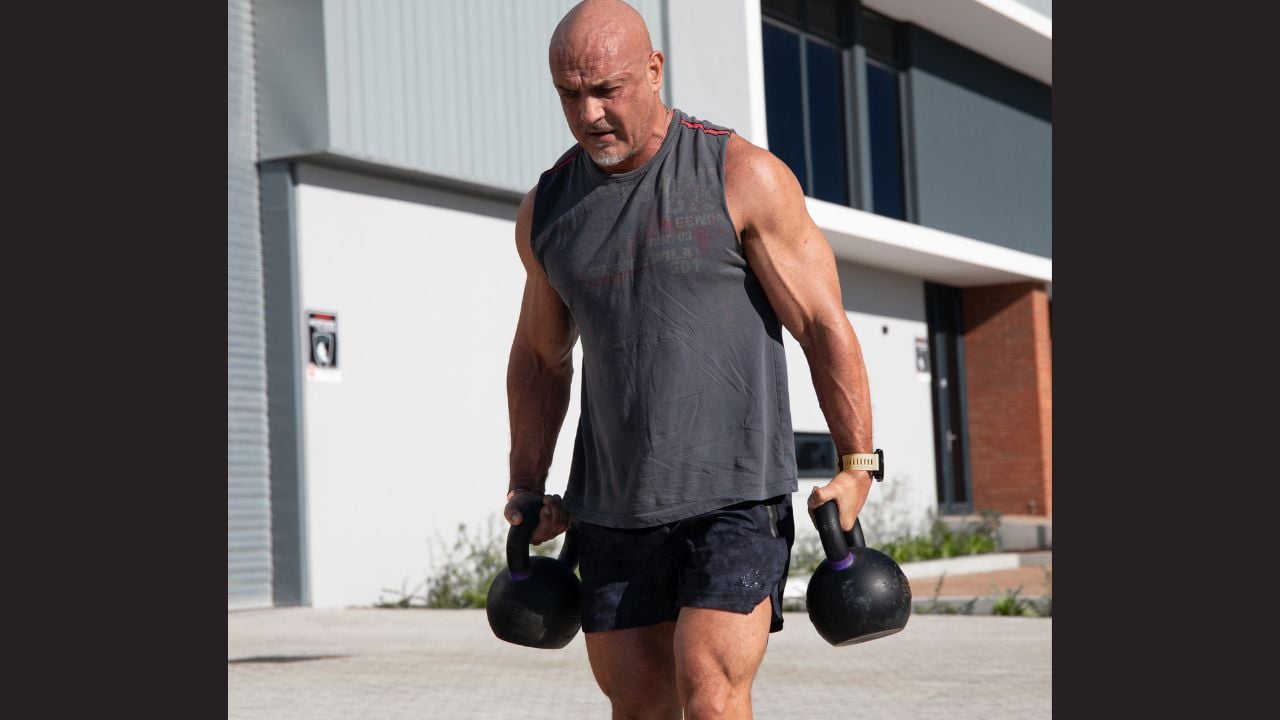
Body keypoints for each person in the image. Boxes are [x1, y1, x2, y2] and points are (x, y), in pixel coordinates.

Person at [504, 1, 876, 717]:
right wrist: (527, 486)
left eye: (607, 89)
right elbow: (540, 359)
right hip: (610, 507)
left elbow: (823, 326)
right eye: (569, 94)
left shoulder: (740, 174)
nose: (588, 114)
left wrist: (858, 466)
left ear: (653, 70)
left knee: (709, 693)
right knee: (638, 705)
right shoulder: (548, 209)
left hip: (734, 499)